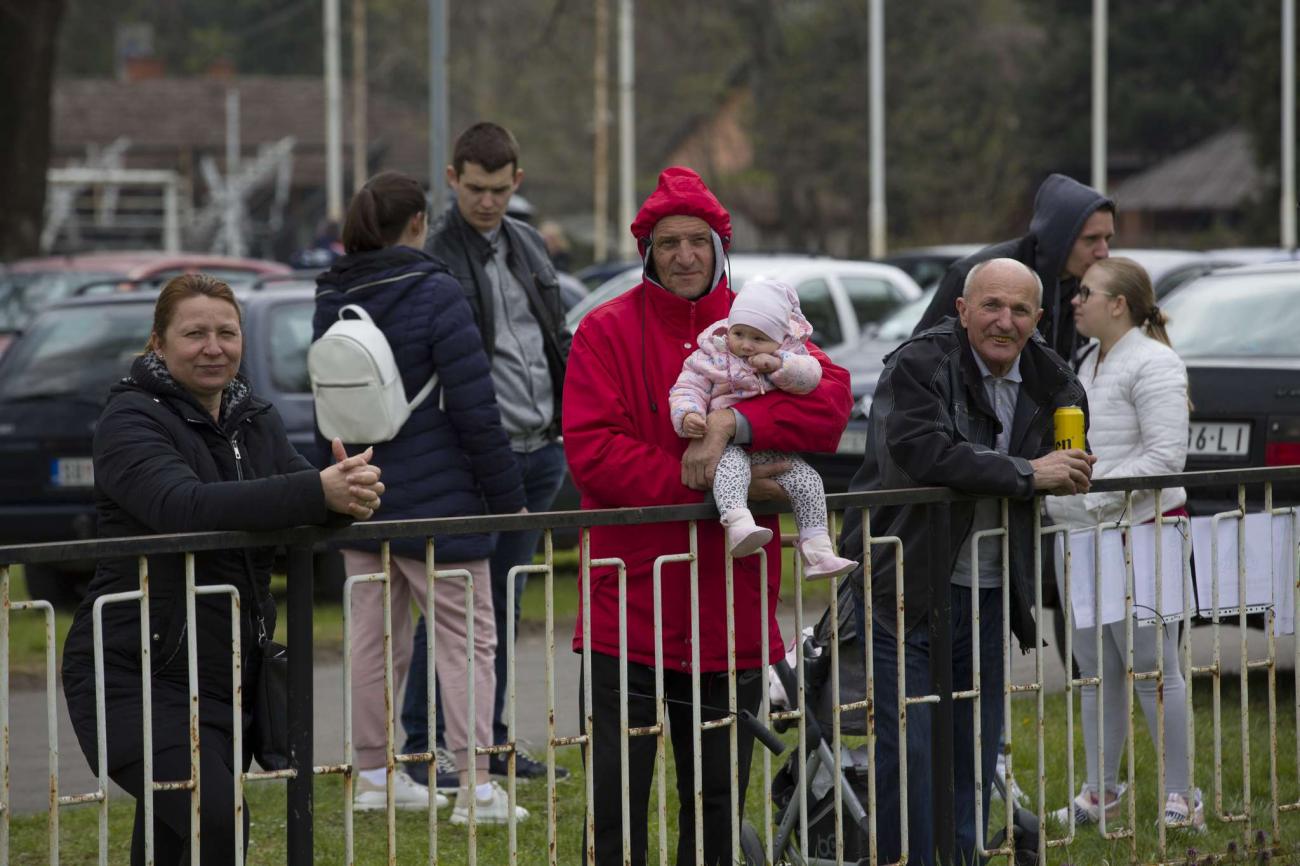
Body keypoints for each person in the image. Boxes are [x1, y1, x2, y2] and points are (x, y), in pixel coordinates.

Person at [564, 165, 853, 865]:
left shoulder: (760, 319)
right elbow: (593, 452)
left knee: (719, 802)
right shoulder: (603, 330)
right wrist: (710, 486)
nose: (685, 256)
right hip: (627, 605)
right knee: (616, 802)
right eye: (669, 243)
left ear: (720, 247)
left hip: (729, 605)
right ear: (648, 252)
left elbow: (830, 404)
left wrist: (733, 426)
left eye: (699, 241)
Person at [61, 273, 385, 865]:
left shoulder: (252, 417)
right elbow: (182, 506)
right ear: (158, 343)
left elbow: (300, 497)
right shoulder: (129, 421)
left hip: (226, 673)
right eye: (195, 334)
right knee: (214, 819)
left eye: (226, 333)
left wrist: (347, 495)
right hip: (136, 672)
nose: (214, 348)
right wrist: (317, 492)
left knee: (174, 840)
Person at [839, 258, 1096, 865]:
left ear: (1038, 318)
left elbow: (1070, 455)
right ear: (961, 309)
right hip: (903, 583)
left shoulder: (1053, 377)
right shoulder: (919, 364)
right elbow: (925, 452)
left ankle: (963, 858)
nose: (1005, 322)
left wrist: (1068, 466)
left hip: (989, 588)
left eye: (1020, 310)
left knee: (975, 749)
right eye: (991, 306)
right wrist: (1027, 472)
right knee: (908, 748)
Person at [313, 169, 528, 824]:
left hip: (362, 492)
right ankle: (478, 788)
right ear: (417, 223)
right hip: (442, 501)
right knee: (468, 642)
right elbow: (475, 408)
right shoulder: (437, 290)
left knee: (374, 643)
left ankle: (375, 777)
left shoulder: (331, 294)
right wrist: (508, 498)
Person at [403, 121, 572, 790]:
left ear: (516, 182)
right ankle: (425, 746)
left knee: (503, 603)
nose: (487, 201)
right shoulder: (435, 253)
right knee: (453, 605)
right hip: (472, 456)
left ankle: (488, 740)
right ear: (452, 179)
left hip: (539, 449)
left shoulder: (527, 244)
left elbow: (553, 340)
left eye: (500, 189)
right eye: (475, 188)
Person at [1045, 257, 1204, 830]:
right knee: (1094, 669)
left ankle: (1183, 796)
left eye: (1087, 292)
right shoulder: (1088, 359)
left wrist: (1091, 496)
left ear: (1118, 305)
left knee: (1154, 669)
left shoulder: (1155, 361)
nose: (1075, 300)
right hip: (1084, 535)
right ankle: (1100, 792)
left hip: (1143, 530)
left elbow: (1165, 458)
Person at [669, 276, 857, 579]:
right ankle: (739, 524)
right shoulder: (713, 354)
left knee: (809, 481)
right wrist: (688, 414)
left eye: (758, 338)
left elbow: (812, 377)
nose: (745, 344)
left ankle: (818, 549)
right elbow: (687, 387)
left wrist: (780, 366)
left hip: (772, 448)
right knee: (731, 472)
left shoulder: (791, 356)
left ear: (779, 339)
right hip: (727, 447)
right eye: (739, 333)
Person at [914, 173, 1115, 364]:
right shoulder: (973, 275)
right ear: (1058, 238)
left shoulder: (1080, 287)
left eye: (1107, 239)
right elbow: (919, 360)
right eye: (1091, 239)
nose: (1103, 252)